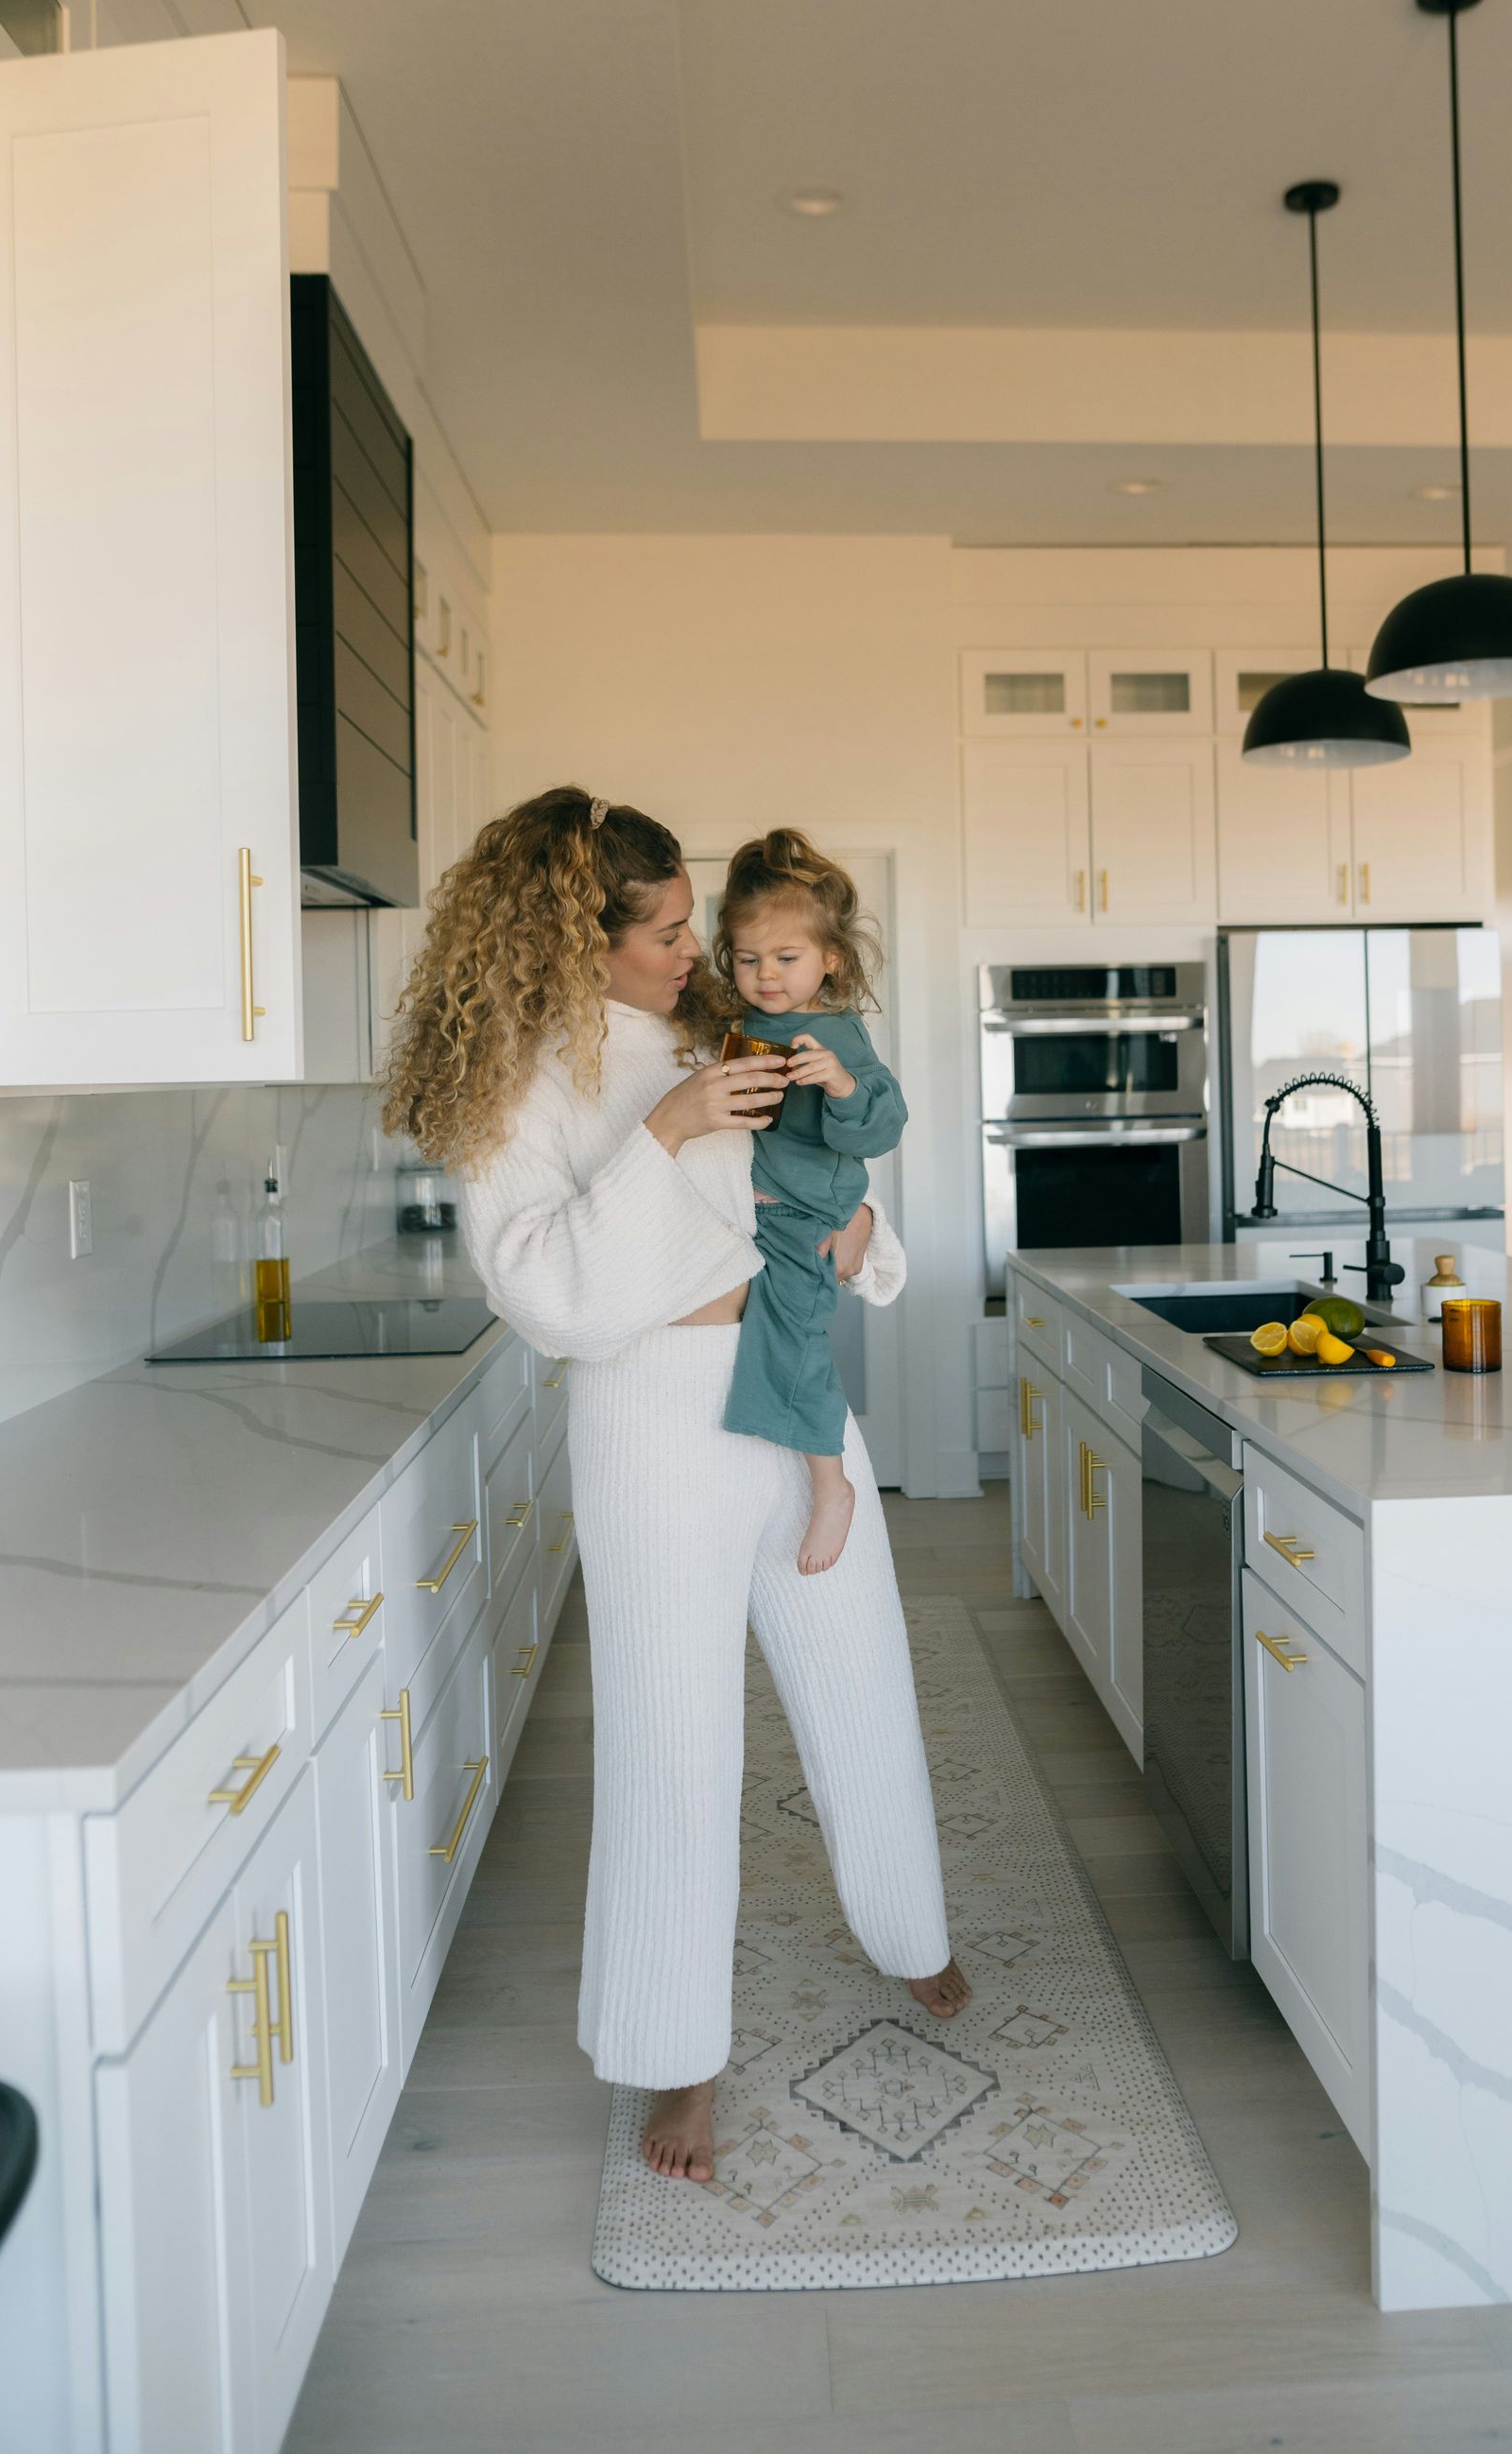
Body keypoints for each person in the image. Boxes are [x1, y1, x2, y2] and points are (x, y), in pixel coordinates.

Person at [381, 785, 969, 2188]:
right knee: (672, 1742)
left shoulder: (730, 1016)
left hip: (794, 1396)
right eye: (658, 928)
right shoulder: (518, 1077)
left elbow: (818, 1172)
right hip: (651, 1418)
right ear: (573, 941)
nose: (689, 943)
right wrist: (666, 1130)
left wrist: (864, 1231)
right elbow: (545, 1294)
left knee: (864, 1675)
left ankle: (911, 1934)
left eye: (690, 916)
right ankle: (676, 2056)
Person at [715, 828, 907, 1578]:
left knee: (794, 1340)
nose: (765, 976)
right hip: (752, 1211)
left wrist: (841, 1084)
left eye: (786, 959)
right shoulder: (740, 1021)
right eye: (748, 958)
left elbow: (883, 1127)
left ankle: (832, 1486)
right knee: (759, 1333)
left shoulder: (837, 1031)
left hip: (801, 1220)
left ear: (830, 958)